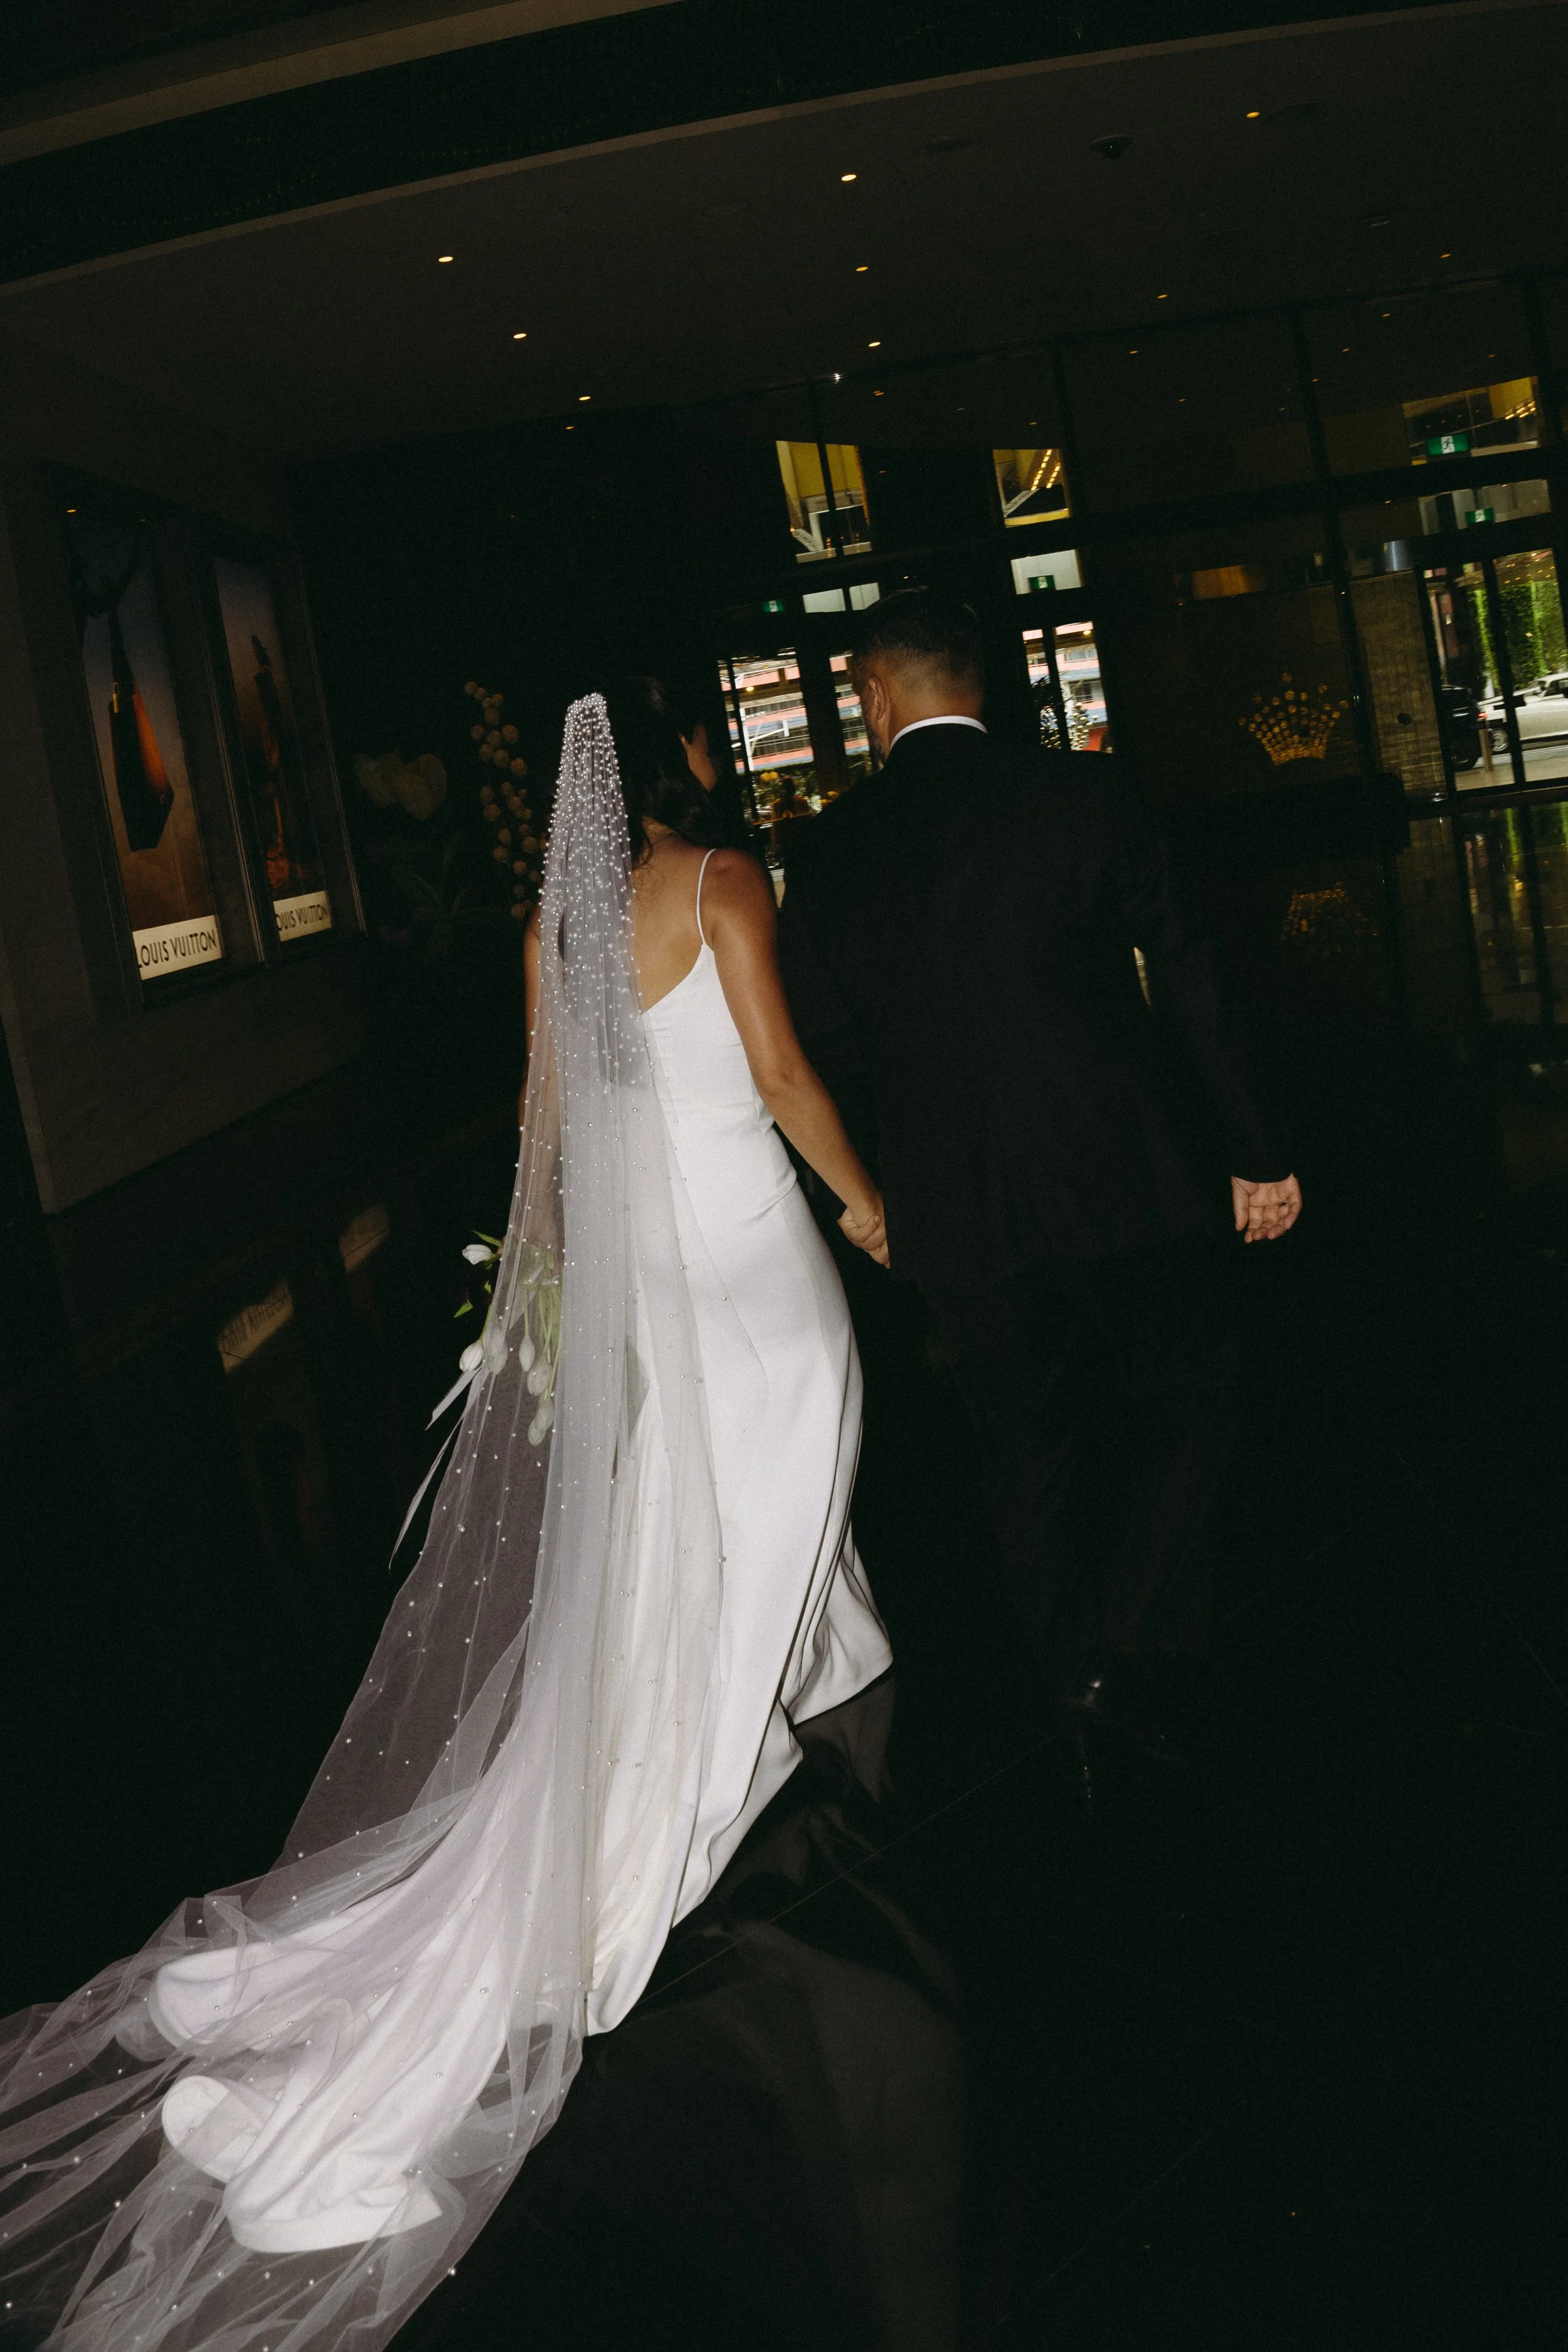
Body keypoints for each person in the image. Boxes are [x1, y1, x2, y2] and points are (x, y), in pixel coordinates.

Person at [0, 683, 891, 2352]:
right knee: (790, 1452)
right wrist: (865, 1195)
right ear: (678, 762)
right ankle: (723, 1742)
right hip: (757, 1258)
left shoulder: (550, 927)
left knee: (706, 1508)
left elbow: (547, 1132)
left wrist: (546, 1294)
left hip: (657, 1281)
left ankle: (803, 1661)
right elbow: (775, 1070)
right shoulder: (720, 880)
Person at [778, 587, 1301, 1751]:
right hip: (1129, 1173)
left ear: (872, 695)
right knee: (1194, 1391)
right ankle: (1137, 1626)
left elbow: (826, 1045)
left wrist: (874, 1191)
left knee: (1020, 1446)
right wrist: (1254, 1153)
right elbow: (1192, 979)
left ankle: (1070, 1672)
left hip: (953, 1204)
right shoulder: (1089, 791)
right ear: (984, 685)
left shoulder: (827, 848)